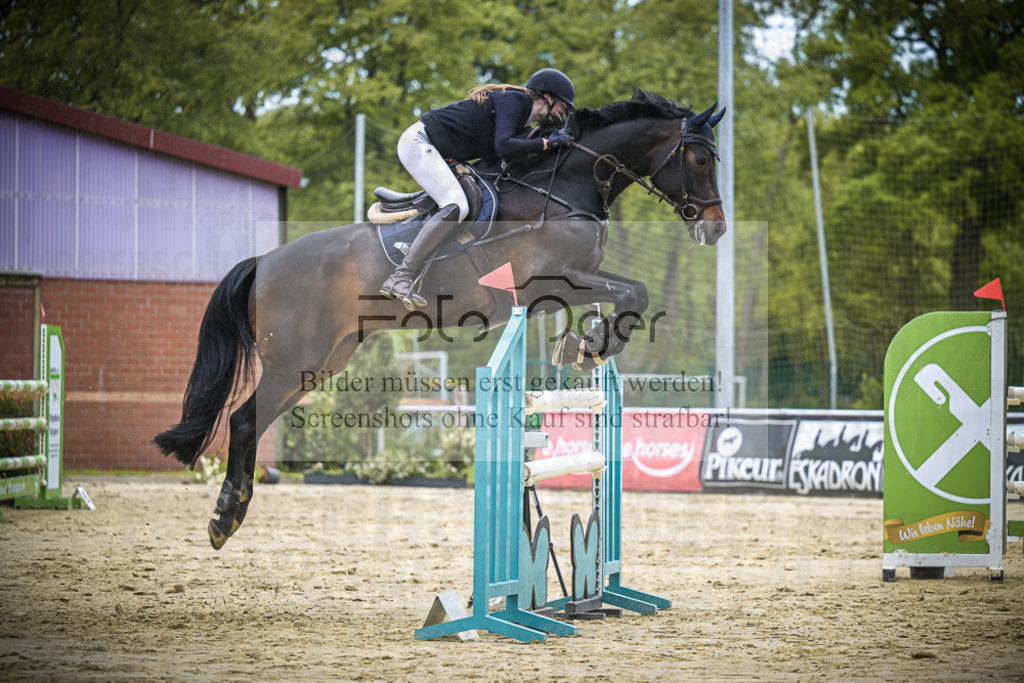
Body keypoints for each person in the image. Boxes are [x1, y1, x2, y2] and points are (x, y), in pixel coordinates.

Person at [380, 68, 577, 308]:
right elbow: (504, 145)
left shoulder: (522, 120)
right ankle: (401, 276)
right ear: (547, 96)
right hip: (420, 142)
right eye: (563, 106)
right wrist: (548, 142)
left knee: (463, 201)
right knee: (456, 205)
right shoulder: (515, 100)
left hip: (441, 153)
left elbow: (509, 152)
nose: (563, 113)